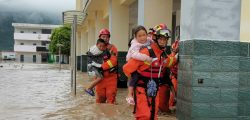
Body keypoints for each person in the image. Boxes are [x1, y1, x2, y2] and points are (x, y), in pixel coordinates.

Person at [123, 28, 176, 120]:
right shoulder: (146, 52)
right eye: (161, 39)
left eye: (165, 39)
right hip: (141, 89)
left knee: (153, 116)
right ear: (155, 38)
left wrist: (175, 54)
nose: (163, 42)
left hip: (154, 90)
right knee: (144, 116)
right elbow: (126, 68)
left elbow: (169, 62)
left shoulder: (163, 54)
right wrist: (135, 80)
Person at [125, 25, 155, 105]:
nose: (142, 38)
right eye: (139, 36)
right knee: (134, 77)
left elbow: (153, 43)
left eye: (144, 35)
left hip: (142, 63)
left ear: (146, 34)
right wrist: (147, 58)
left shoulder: (148, 40)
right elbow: (135, 55)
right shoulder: (134, 44)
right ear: (135, 37)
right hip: (132, 63)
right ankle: (129, 95)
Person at [94, 28, 118, 104]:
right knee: (99, 100)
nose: (105, 38)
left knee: (111, 98)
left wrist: (102, 67)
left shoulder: (112, 48)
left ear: (109, 38)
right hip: (99, 78)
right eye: (103, 37)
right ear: (100, 38)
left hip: (111, 77)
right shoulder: (94, 49)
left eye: (107, 37)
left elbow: (113, 61)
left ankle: (110, 115)